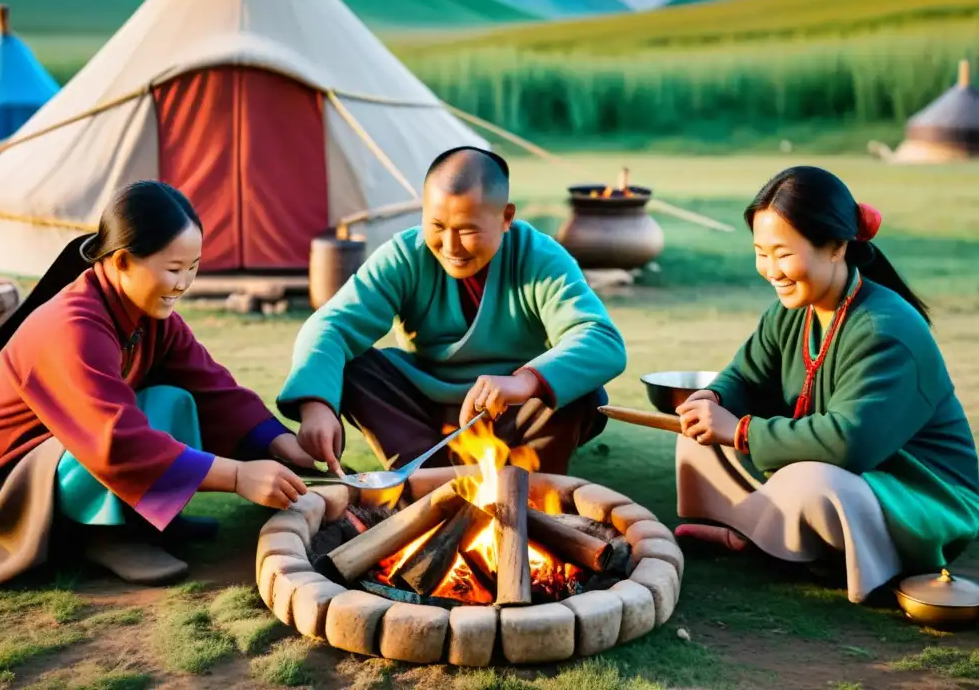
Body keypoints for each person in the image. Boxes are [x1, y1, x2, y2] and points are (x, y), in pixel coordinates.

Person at [0, 181, 315, 586]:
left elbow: (213, 388)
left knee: (173, 399)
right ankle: (105, 534)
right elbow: (112, 439)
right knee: (111, 429)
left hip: (65, 455)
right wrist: (236, 476)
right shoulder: (71, 327)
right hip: (6, 483)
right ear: (122, 261)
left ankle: (141, 519)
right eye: (174, 269)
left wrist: (279, 441)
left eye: (193, 267)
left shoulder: (149, 317)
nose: (184, 283)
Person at [673, 165, 979, 603]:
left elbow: (850, 443)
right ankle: (764, 532)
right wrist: (712, 399)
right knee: (692, 434)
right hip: (830, 472)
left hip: (916, 495)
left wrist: (738, 430)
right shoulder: (792, 309)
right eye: (761, 252)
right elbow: (745, 375)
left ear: (836, 247)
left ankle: (760, 534)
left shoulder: (886, 330)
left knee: (810, 485)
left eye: (782, 253)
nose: (770, 269)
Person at [278, 146, 627, 476]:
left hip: (511, 412)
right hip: (421, 410)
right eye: (437, 226)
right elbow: (332, 325)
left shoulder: (540, 257)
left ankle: (529, 487)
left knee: (579, 388)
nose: (450, 247)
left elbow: (600, 339)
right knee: (355, 368)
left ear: (506, 218)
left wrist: (524, 381)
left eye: (468, 230)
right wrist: (316, 405)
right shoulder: (403, 255)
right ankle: (421, 478)